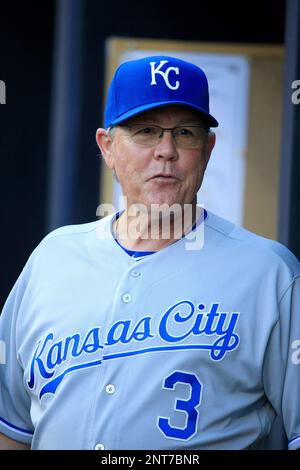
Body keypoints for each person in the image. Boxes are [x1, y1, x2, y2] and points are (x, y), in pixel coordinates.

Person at [0, 55, 299, 451]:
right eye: (145, 131)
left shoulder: (269, 273)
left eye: (185, 133)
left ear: (208, 149)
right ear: (107, 147)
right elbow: (12, 430)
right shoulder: (51, 260)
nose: (166, 151)